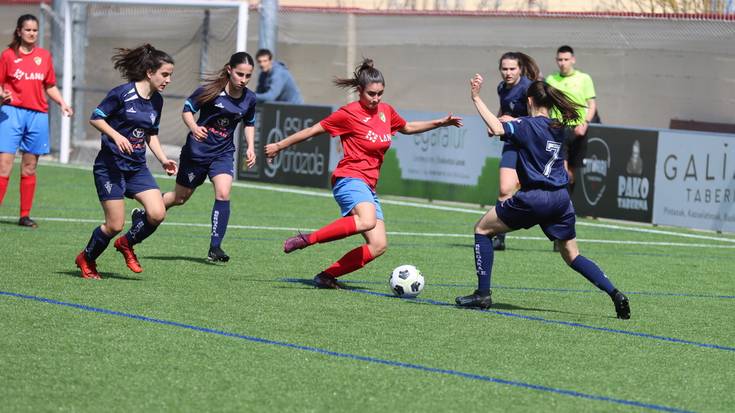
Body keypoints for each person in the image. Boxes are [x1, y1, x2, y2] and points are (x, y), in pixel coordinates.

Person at [264, 59, 462, 289]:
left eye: (380, 94)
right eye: (371, 94)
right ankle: (308, 239)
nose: (376, 99)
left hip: (368, 185)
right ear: (360, 91)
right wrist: (279, 146)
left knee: (379, 245)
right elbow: (312, 130)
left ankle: (326, 276)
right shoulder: (348, 114)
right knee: (367, 221)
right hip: (349, 178)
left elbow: (407, 128)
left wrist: (440, 123)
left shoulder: (386, 112)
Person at [455, 74, 630, 320]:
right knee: (572, 255)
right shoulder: (559, 128)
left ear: (529, 100)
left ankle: (482, 294)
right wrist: (514, 120)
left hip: (534, 198)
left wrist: (476, 97)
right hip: (560, 199)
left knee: (482, 230)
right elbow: (532, 127)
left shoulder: (526, 125)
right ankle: (615, 294)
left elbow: (495, 128)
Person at [74, 44, 177, 279]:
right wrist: (117, 135)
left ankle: (126, 244)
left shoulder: (156, 101)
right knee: (114, 225)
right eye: (165, 74)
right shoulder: (122, 93)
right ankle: (86, 258)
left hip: (137, 167)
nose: (168, 80)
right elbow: (96, 118)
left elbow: (151, 133)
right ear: (150, 72)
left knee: (158, 213)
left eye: (170, 75)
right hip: (110, 167)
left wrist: (163, 160)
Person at [162, 52, 257, 262]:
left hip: (223, 153)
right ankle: (151, 209)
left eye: (248, 76)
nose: (243, 79)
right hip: (197, 152)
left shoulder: (249, 98)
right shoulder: (210, 91)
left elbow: (249, 123)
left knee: (223, 193)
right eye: (240, 74)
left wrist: (250, 147)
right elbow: (187, 110)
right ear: (229, 70)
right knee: (180, 198)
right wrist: (194, 127)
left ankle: (215, 248)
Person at [0, 14, 73, 228]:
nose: (32, 33)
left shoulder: (44, 56)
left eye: (35, 30)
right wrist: (2, 94)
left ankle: (24, 215)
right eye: (28, 29)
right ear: (19, 31)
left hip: (38, 116)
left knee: (29, 167)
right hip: (11, 113)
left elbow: (49, 85)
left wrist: (62, 103)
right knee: (4, 166)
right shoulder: (7, 56)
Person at [490, 51, 540, 251]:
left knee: (541, 190)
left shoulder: (528, 88)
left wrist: (514, 121)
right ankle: (498, 237)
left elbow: (538, 120)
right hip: (512, 143)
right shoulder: (502, 87)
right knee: (504, 189)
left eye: (512, 69)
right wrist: (494, 122)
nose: (508, 72)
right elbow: (503, 111)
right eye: (504, 69)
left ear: (520, 69)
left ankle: (558, 232)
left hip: (532, 145)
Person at [545, 45, 598, 193]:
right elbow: (546, 105)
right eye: (560, 60)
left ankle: (566, 202)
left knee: (571, 173)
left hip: (577, 130)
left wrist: (585, 123)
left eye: (566, 59)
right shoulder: (551, 79)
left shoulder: (584, 78)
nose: (563, 63)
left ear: (573, 60)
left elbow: (592, 104)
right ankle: (558, 203)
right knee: (561, 168)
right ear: (556, 61)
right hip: (557, 128)